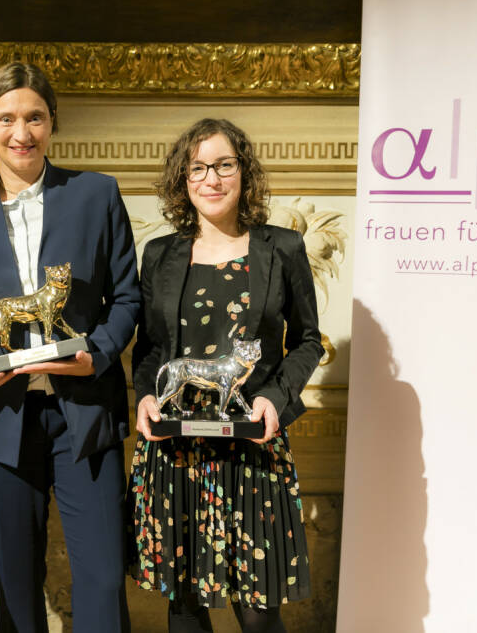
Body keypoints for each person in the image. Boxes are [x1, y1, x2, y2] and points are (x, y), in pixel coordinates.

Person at [0, 62, 138, 633]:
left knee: (101, 580)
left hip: (86, 413)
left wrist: (95, 354)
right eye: (6, 118)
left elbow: (127, 298)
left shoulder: (96, 193)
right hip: (0, 417)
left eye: (34, 118)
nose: (20, 132)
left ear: (53, 123)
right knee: (16, 586)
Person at [129, 118, 323, 633]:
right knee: (185, 608)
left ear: (243, 172)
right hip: (175, 448)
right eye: (198, 167)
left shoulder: (281, 248)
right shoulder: (160, 255)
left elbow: (308, 340)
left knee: (258, 613)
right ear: (182, 178)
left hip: (251, 442)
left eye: (223, 165)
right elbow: (150, 349)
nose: (211, 178)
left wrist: (276, 401)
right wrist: (147, 398)